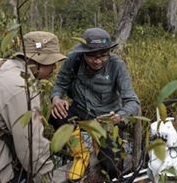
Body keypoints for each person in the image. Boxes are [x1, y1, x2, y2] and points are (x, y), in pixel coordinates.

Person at [0, 31, 66, 182]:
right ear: (37, 63)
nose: (54, 68)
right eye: (51, 63)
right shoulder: (22, 88)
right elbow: (32, 151)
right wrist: (48, 178)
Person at [50, 27, 141, 180]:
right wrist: (56, 98)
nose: (98, 61)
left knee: (113, 167)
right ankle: (80, 154)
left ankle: (99, 145)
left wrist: (119, 116)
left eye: (103, 56)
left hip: (106, 119)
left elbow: (132, 101)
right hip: (80, 111)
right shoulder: (73, 60)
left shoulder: (117, 66)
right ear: (84, 53)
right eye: (92, 56)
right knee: (56, 114)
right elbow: (60, 85)